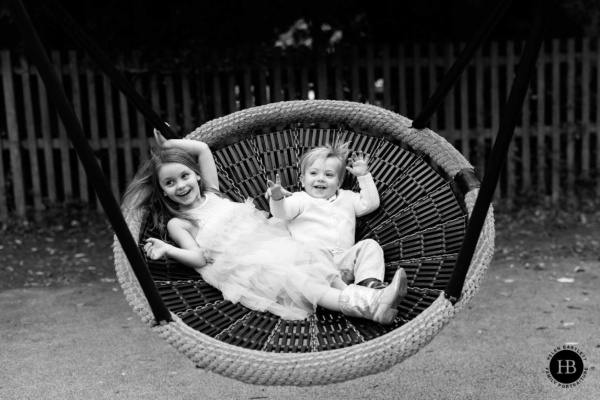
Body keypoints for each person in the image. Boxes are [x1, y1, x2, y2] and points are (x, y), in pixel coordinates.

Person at [120, 131, 407, 324]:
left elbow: (203, 149)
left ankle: (370, 299)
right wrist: (168, 248)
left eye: (184, 176)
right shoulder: (179, 223)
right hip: (254, 265)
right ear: (163, 192)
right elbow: (198, 258)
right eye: (169, 183)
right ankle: (368, 305)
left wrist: (167, 146)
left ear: (196, 176)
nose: (181, 185)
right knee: (305, 282)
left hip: (278, 244)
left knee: (317, 264)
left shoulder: (214, 193)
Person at [265, 141, 395, 290]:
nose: (321, 178)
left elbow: (370, 204)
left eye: (329, 175)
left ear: (339, 183)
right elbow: (282, 212)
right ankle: (351, 294)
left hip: (344, 263)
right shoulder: (299, 199)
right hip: (313, 267)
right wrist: (277, 198)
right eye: (313, 173)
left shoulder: (347, 198)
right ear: (302, 180)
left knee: (370, 245)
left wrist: (363, 176)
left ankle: (369, 284)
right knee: (312, 247)